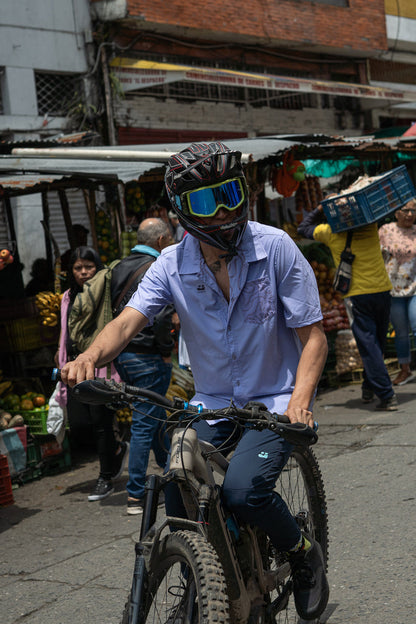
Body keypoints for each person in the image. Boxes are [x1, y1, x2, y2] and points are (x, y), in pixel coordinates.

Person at [62, 142, 329, 621]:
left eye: (229, 193)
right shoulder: (169, 266)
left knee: (245, 491)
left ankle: (302, 552)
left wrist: (300, 401)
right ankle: (204, 575)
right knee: (175, 481)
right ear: (183, 210)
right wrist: (89, 357)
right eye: (207, 201)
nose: (224, 210)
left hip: (273, 401)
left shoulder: (276, 248)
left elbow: (313, 338)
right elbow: (126, 323)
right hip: (211, 402)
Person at [298, 199, 397, 411]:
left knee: (369, 346)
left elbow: (303, 228)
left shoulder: (331, 233)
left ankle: (387, 395)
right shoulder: (370, 227)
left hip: (357, 296)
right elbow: (384, 210)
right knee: (376, 343)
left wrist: (318, 209)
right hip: (382, 290)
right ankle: (369, 388)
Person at [110, 218, 175, 515]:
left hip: (123, 354)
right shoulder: (158, 267)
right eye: (171, 238)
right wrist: (165, 351)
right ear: (161, 240)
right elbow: (161, 317)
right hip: (148, 356)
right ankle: (136, 494)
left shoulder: (119, 266)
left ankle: (169, 471)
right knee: (144, 423)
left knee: (155, 413)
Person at [55, 245, 129, 501]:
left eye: (89, 266)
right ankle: (117, 449)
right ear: (71, 271)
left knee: (100, 423)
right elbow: (65, 330)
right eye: (78, 268)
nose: (84, 272)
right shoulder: (67, 296)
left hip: (100, 366)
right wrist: (61, 355)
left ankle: (105, 477)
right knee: (79, 424)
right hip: (75, 365)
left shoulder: (105, 291)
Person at [378, 198, 416, 386]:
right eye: (405, 211)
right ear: (396, 212)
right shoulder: (385, 231)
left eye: (413, 211)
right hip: (392, 290)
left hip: (415, 288)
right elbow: (377, 257)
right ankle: (405, 370)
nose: (410, 214)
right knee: (400, 333)